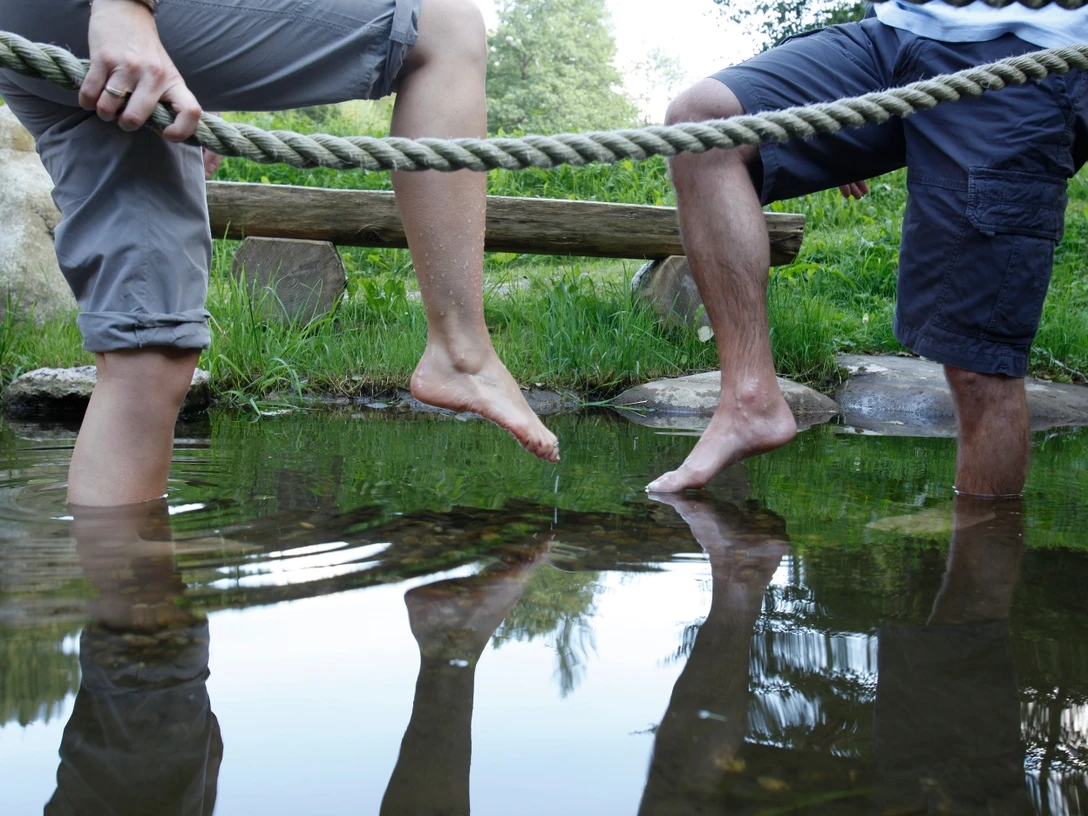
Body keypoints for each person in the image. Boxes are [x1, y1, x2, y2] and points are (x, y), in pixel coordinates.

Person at [0, 0, 559, 508]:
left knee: (147, 360)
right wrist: (125, 11)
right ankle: (461, 352)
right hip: (92, 14)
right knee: (444, 30)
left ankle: (127, 580)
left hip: (34, 40)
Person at [650, 3, 1088, 495]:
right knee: (703, 123)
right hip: (894, 34)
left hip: (1026, 51)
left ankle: (986, 535)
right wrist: (849, 135)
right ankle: (749, 401)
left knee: (978, 370)